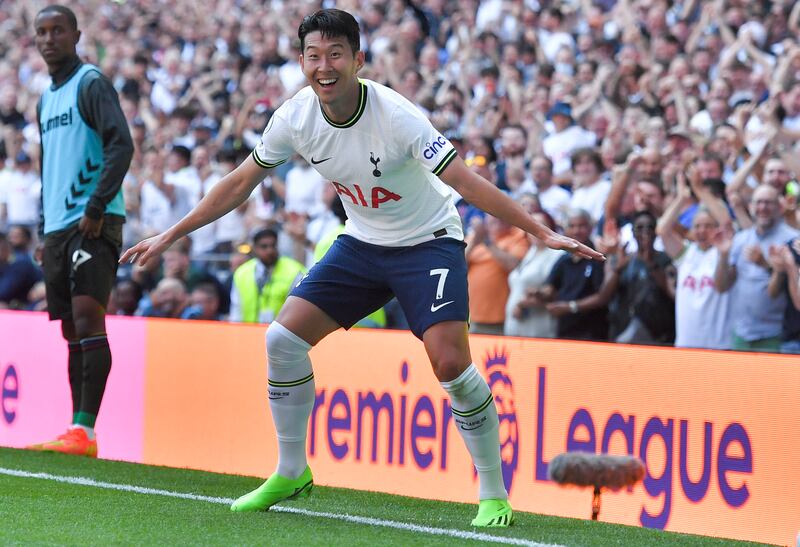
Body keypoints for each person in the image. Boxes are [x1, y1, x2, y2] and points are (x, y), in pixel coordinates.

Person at [121, 9, 601, 527]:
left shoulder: (397, 115)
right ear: (301, 62)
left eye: (334, 55)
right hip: (362, 242)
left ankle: (492, 493)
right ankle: (290, 470)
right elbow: (241, 182)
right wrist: (171, 234)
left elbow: (464, 180)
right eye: (313, 56)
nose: (323, 67)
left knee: (449, 364)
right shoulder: (295, 117)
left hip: (428, 242)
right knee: (282, 341)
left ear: (357, 60)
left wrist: (540, 231)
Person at [27, 5, 133, 457]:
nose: (49, 39)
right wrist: (43, 225)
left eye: (58, 30)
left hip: (93, 218)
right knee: (71, 327)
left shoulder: (89, 83)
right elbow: (49, 166)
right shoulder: (44, 99)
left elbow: (121, 143)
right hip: (58, 227)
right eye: (42, 32)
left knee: (90, 317)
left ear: (76, 35)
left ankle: (86, 430)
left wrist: (95, 204)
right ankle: (77, 429)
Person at [229, 228, 306, 324]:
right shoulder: (242, 273)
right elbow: (236, 310)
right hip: (247, 332)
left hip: (281, 334)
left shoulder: (295, 271)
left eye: (273, 245)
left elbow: (297, 311)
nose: (270, 251)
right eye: (264, 246)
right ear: (255, 248)